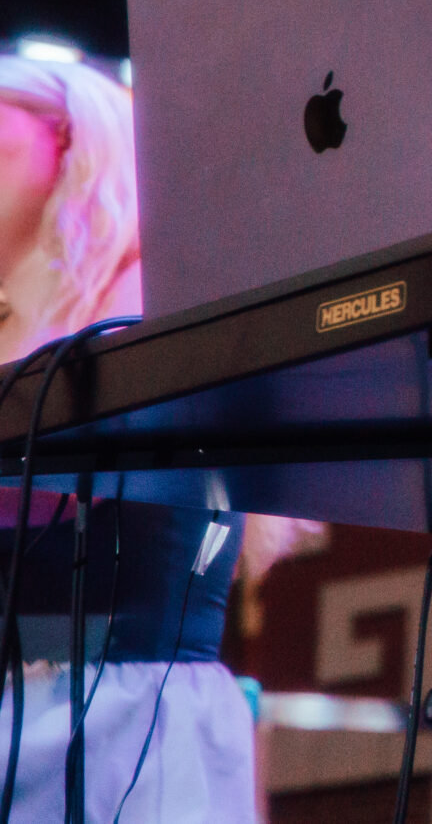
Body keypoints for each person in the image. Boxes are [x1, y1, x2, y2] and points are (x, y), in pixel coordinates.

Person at [0, 52, 257, 821]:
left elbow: (49, 485)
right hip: (41, 707)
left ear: (72, 140)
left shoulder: (143, 293)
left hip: (121, 712)